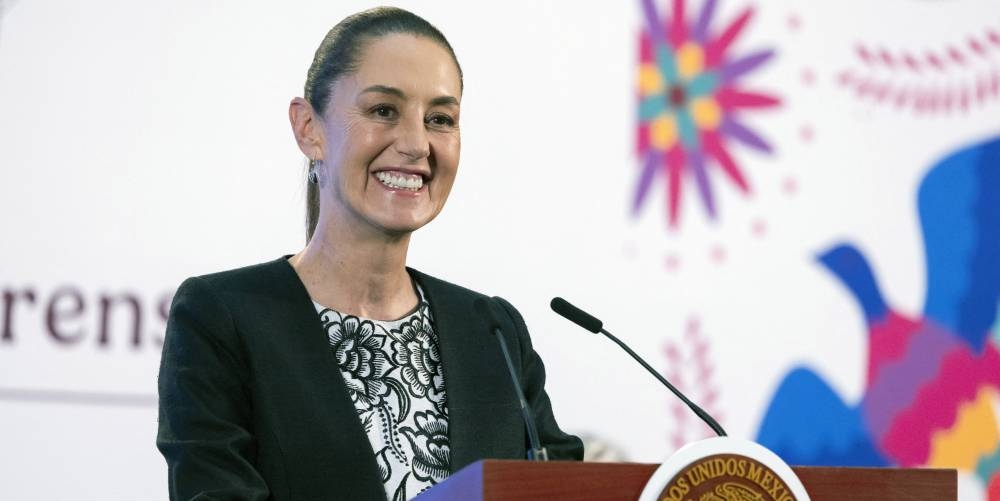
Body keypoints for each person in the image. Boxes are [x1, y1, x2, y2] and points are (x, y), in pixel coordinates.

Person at [156, 7, 583, 501]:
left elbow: (565, 487)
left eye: (440, 119)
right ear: (308, 127)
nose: (416, 144)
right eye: (383, 111)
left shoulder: (492, 330)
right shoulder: (221, 316)